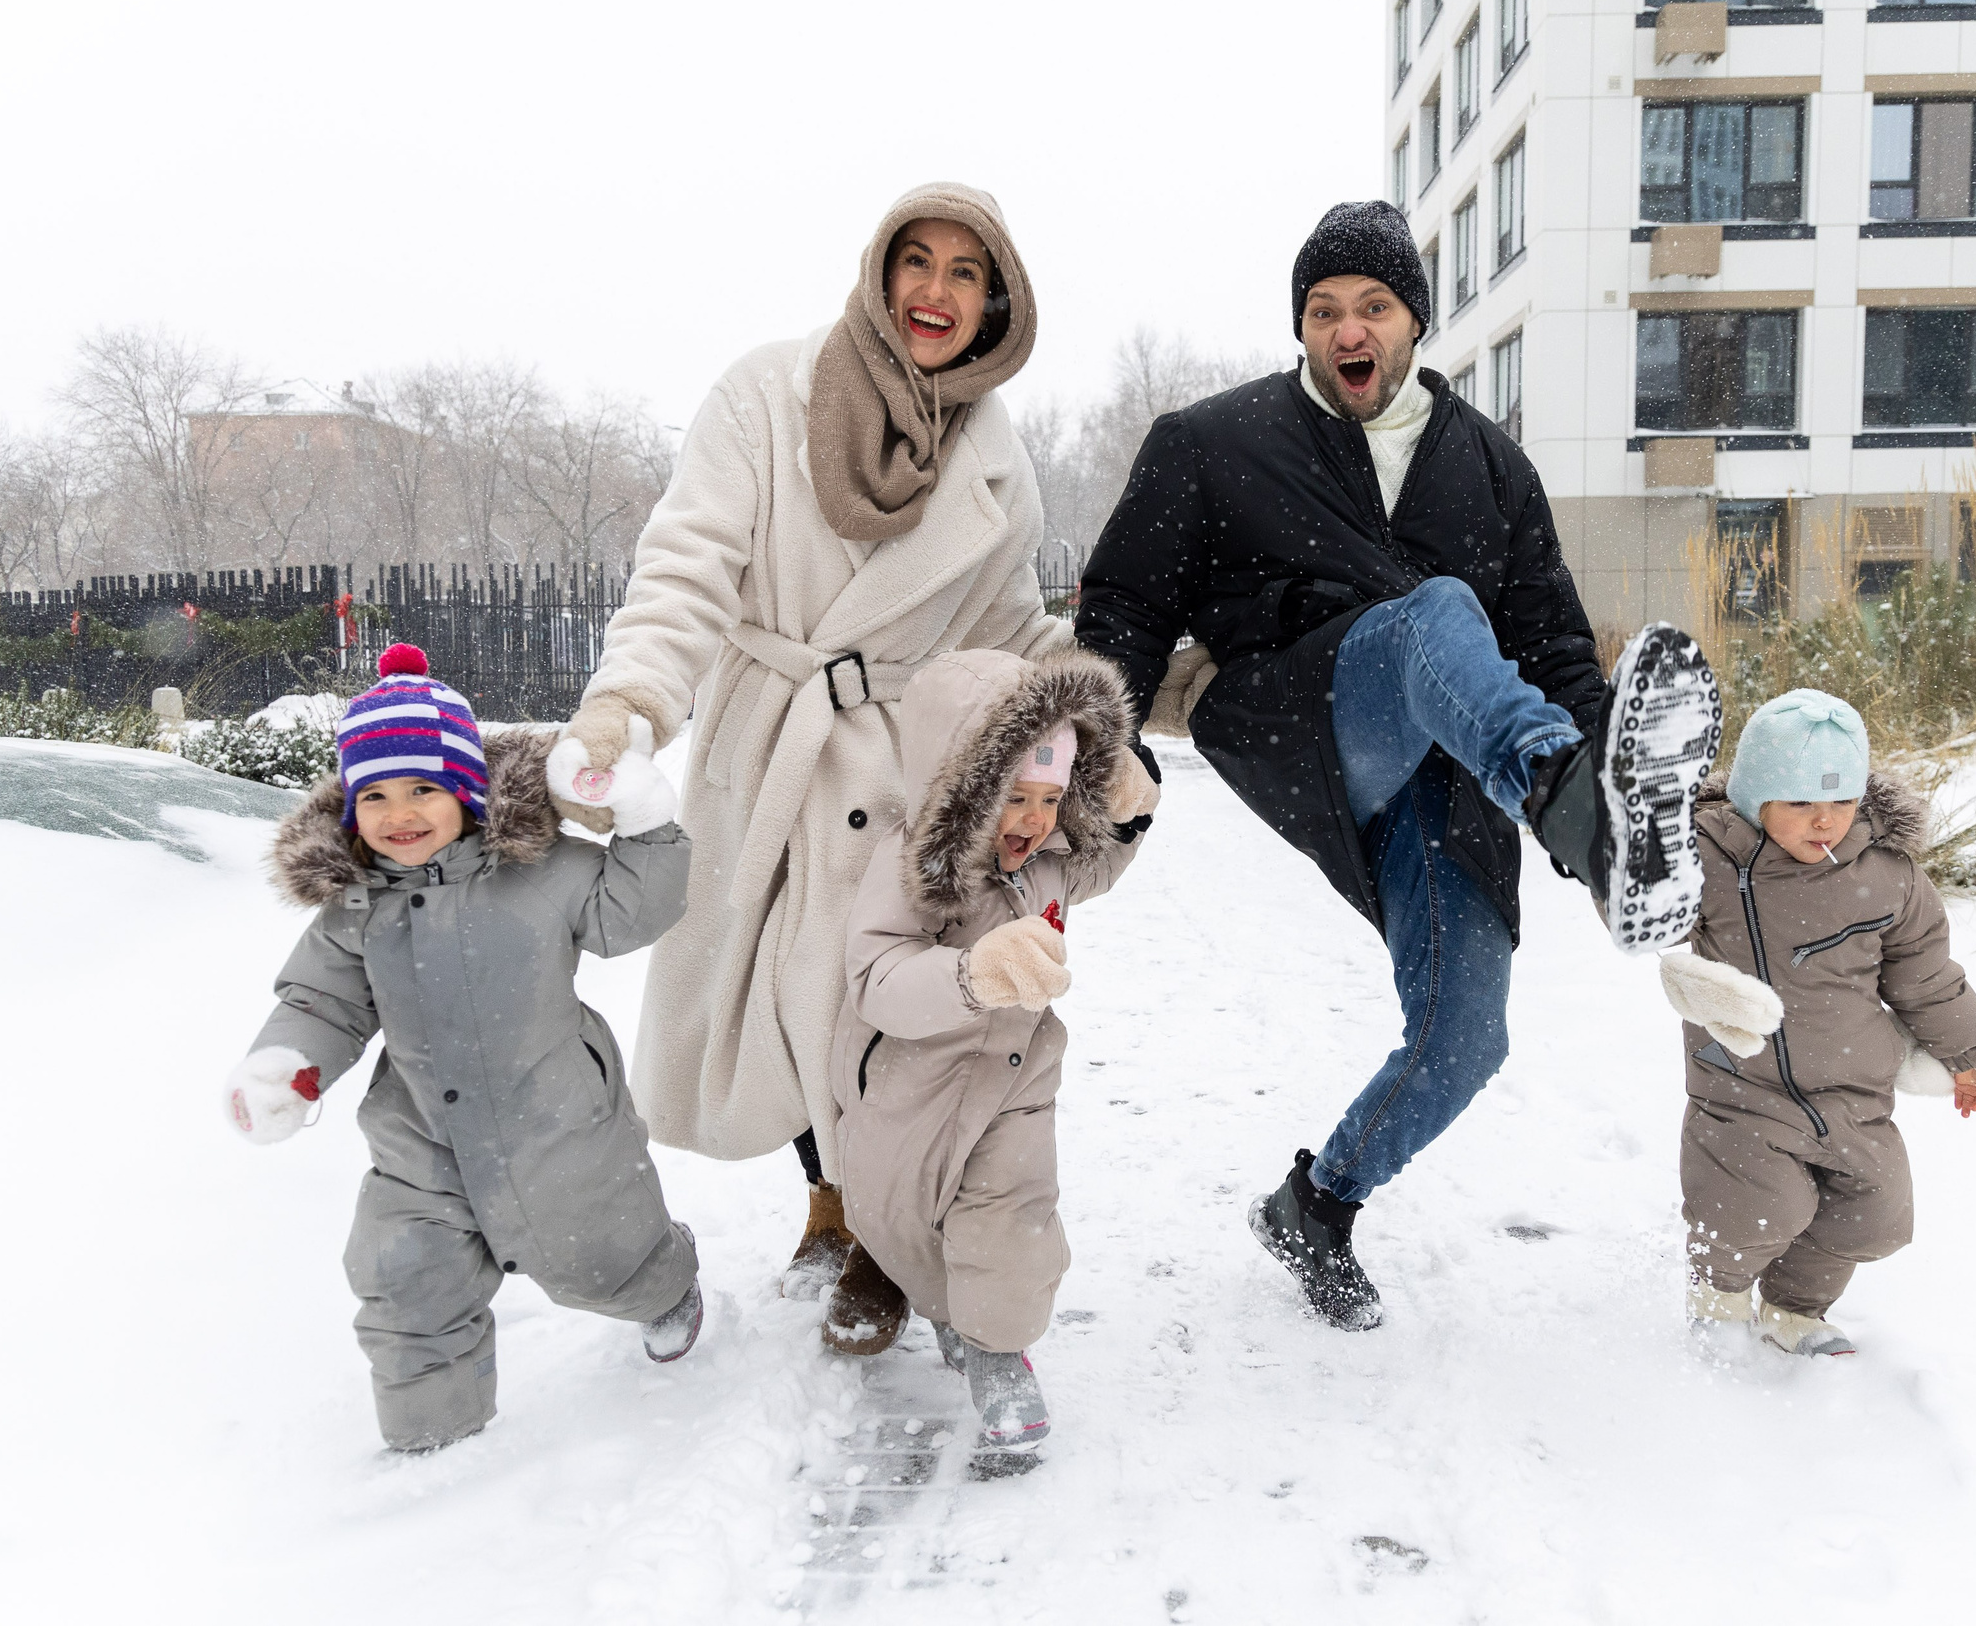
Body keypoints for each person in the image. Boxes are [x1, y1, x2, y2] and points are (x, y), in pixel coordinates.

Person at [1075, 200, 1722, 1332]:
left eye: (1370, 306)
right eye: (1322, 311)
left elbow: (1557, 648)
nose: (1345, 329)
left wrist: (1619, 749)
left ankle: (1317, 1204)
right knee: (1431, 618)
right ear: (1302, 329)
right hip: (1295, 716)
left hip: (1451, 773)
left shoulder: (1491, 468)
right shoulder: (1211, 444)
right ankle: (1582, 824)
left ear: (1414, 321)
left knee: (1466, 1039)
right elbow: (1126, 603)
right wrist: (1097, 740)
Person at [549, 184, 1154, 1355]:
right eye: (915, 262)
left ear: (996, 305)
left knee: (869, 999)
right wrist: (629, 706)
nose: (934, 290)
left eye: (964, 273)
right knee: (777, 1004)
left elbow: (1008, 624)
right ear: (880, 274)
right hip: (768, 744)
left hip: (904, 760)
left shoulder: (992, 455)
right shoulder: (765, 396)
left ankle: (872, 1234)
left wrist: (1102, 731)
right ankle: (830, 1199)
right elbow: (686, 572)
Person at [220, 644, 700, 1451]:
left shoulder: (538, 869)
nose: (397, 811)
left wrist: (646, 825)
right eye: (373, 793)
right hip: (420, 1141)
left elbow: (631, 911)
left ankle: (664, 1288)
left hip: (556, 1126)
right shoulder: (356, 906)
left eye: (421, 787)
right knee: (401, 1274)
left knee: (603, 1257)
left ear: (465, 789)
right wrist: (289, 1068)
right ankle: (433, 1446)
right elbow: (322, 999)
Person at [828, 646, 1150, 1474]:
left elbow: (1101, 862)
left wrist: (1135, 809)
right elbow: (876, 977)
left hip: (1017, 1085)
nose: (1033, 819)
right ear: (964, 785)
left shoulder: (1050, 860)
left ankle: (1001, 1352)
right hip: (914, 1089)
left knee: (1012, 1218)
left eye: (1051, 799)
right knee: (904, 1222)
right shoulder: (911, 869)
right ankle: (945, 1307)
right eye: (1014, 795)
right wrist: (973, 975)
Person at [1655, 689, 1976, 1358]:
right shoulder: (1708, 861)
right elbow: (1641, 913)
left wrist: (1967, 1053)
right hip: (1742, 1087)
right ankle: (1719, 1300)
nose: (1826, 821)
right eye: (1800, 803)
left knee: (1879, 1215)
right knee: (1756, 1209)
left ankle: (1793, 1307)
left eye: (1841, 800)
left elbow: (1924, 972)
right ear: (1756, 798)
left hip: (1852, 1091)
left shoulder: (1886, 876)